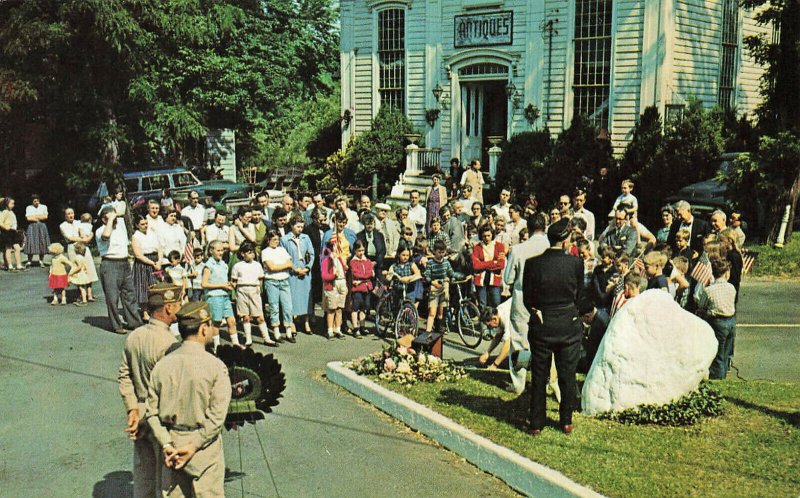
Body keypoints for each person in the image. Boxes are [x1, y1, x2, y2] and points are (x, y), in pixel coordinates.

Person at [145, 300, 231, 498]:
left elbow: (151, 413)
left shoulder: (162, 366)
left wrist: (166, 444)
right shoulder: (216, 367)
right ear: (203, 329)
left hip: (171, 448)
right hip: (204, 450)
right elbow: (217, 418)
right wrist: (194, 445)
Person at [522, 218, 589, 436]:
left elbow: (527, 298)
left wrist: (538, 310)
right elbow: (581, 297)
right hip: (568, 325)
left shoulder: (533, 263)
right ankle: (566, 421)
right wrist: (572, 314)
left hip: (542, 324)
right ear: (565, 240)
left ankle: (536, 422)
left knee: (540, 374)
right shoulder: (576, 263)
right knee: (567, 374)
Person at [118, 282, 181, 498]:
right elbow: (170, 388)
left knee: (144, 478)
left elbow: (125, 375)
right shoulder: (171, 343)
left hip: (140, 411)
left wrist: (132, 409)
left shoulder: (134, 335)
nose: (181, 307)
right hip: (160, 417)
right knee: (167, 483)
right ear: (169, 308)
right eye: (178, 303)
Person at [96, 206, 143, 334]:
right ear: (103, 219)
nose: (115, 220)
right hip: (110, 263)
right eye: (110, 218)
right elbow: (106, 236)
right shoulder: (101, 230)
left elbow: (124, 210)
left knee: (129, 294)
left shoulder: (120, 227)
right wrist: (110, 218)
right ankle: (116, 325)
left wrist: (115, 214)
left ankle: (134, 322)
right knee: (112, 297)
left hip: (124, 262)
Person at [696, 259, 737, 379]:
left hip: (717, 321)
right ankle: (724, 374)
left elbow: (701, 305)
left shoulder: (709, 290)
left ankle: (718, 378)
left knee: (718, 355)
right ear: (726, 273)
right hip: (731, 320)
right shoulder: (731, 288)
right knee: (725, 352)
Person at [231, 242, 274, 347]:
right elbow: (234, 282)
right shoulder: (237, 266)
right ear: (242, 254)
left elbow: (260, 279)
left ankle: (266, 338)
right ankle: (248, 339)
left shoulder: (257, 265)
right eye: (249, 252)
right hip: (242, 290)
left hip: (254, 290)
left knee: (259, 316)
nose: (252, 255)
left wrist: (259, 290)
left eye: (253, 252)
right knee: (245, 317)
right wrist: (233, 291)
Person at [202, 240, 240, 349]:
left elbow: (223, 281)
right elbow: (204, 284)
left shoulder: (223, 264)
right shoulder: (208, 266)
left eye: (222, 250)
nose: (221, 252)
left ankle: (236, 346)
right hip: (214, 297)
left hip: (225, 296)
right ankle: (216, 347)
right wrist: (222, 286)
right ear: (211, 251)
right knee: (217, 322)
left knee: (232, 321)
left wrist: (229, 284)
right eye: (218, 250)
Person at [261, 230, 296, 343]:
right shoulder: (265, 252)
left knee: (287, 306)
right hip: (272, 281)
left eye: (278, 239)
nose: (276, 242)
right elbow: (271, 267)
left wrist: (281, 265)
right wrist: (284, 265)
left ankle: (288, 331)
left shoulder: (282, 250)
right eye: (274, 239)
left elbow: (290, 263)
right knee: (274, 306)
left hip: (284, 280)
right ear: (268, 240)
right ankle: (276, 332)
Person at [282, 216, 315, 334]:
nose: (300, 229)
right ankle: (292, 323)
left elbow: (311, 254)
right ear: (291, 226)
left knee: (306, 298)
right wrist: (294, 269)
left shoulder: (306, 238)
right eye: (298, 226)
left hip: (305, 271)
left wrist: (307, 267)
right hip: (292, 272)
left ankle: (306, 322)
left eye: (302, 227)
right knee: (292, 297)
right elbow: (284, 256)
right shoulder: (285, 239)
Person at [131, 215, 163, 321]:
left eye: (146, 223)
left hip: (155, 260)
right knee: (143, 288)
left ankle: (155, 310)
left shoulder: (152, 233)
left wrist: (159, 261)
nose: (145, 226)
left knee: (156, 287)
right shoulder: (136, 236)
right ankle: (144, 312)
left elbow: (160, 248)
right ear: (136, 225)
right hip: (143, 263)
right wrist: (152, 263)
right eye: (142, 224)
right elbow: (138, 255)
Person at [471, 225, 506, 308]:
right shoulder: (477, 247)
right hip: (481, 279)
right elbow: (475, 265)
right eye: (484, 236)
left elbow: (501, 264)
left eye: (488, 236)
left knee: (496, 303)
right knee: (482, 305)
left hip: (494, 278)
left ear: (492, 235)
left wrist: (483, 264)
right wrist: (493, 262)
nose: (486, 238)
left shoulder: (499, 246)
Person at [321, 238, 348, 339]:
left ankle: (338, 329)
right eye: (335, 247)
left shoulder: (339, 259)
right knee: (332, 308)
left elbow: (344, 272)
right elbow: (324, 276)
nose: (337, 249)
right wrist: (333, 275)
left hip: (341, 283)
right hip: (332, 284)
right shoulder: (326, 261)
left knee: (339, 308)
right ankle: (330, 330)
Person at [348, 240, 375, 338]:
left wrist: (362, 279)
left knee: (364, 307)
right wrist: (365, 277)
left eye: (363, 250)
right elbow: (356, 274)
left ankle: (362, 326)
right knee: (355, 307)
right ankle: (355, 327)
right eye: (359, 250)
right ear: (355, 250)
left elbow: (370, 272)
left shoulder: (367, 261)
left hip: (366, 288)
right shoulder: (353, 262)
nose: (361, 253)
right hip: (357, 289)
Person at [23, 194, 50, 267]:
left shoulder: (43, 206)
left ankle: (41, 260)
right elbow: (28, 218)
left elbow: (45, 216)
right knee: (31, 241)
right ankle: (29, 261)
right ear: (32, 201)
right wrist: (39, 216)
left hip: (41, 226)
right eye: (35, 201)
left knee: (42, 242)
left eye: (37, 201)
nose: (36, 202)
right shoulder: (29, 207)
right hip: (32, 226)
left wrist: (34, 216)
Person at [0, 196, 24, 272]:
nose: (13, 205)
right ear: (7, 204)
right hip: (7, 232)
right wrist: (6, 227)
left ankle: (18, 265)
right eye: (12, 203)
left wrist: (15, 229)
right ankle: (10, 265)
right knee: (8, 248)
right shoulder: (4, 212)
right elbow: (0, 222)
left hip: (13, 231)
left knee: (17, 247)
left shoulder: (11, 212)